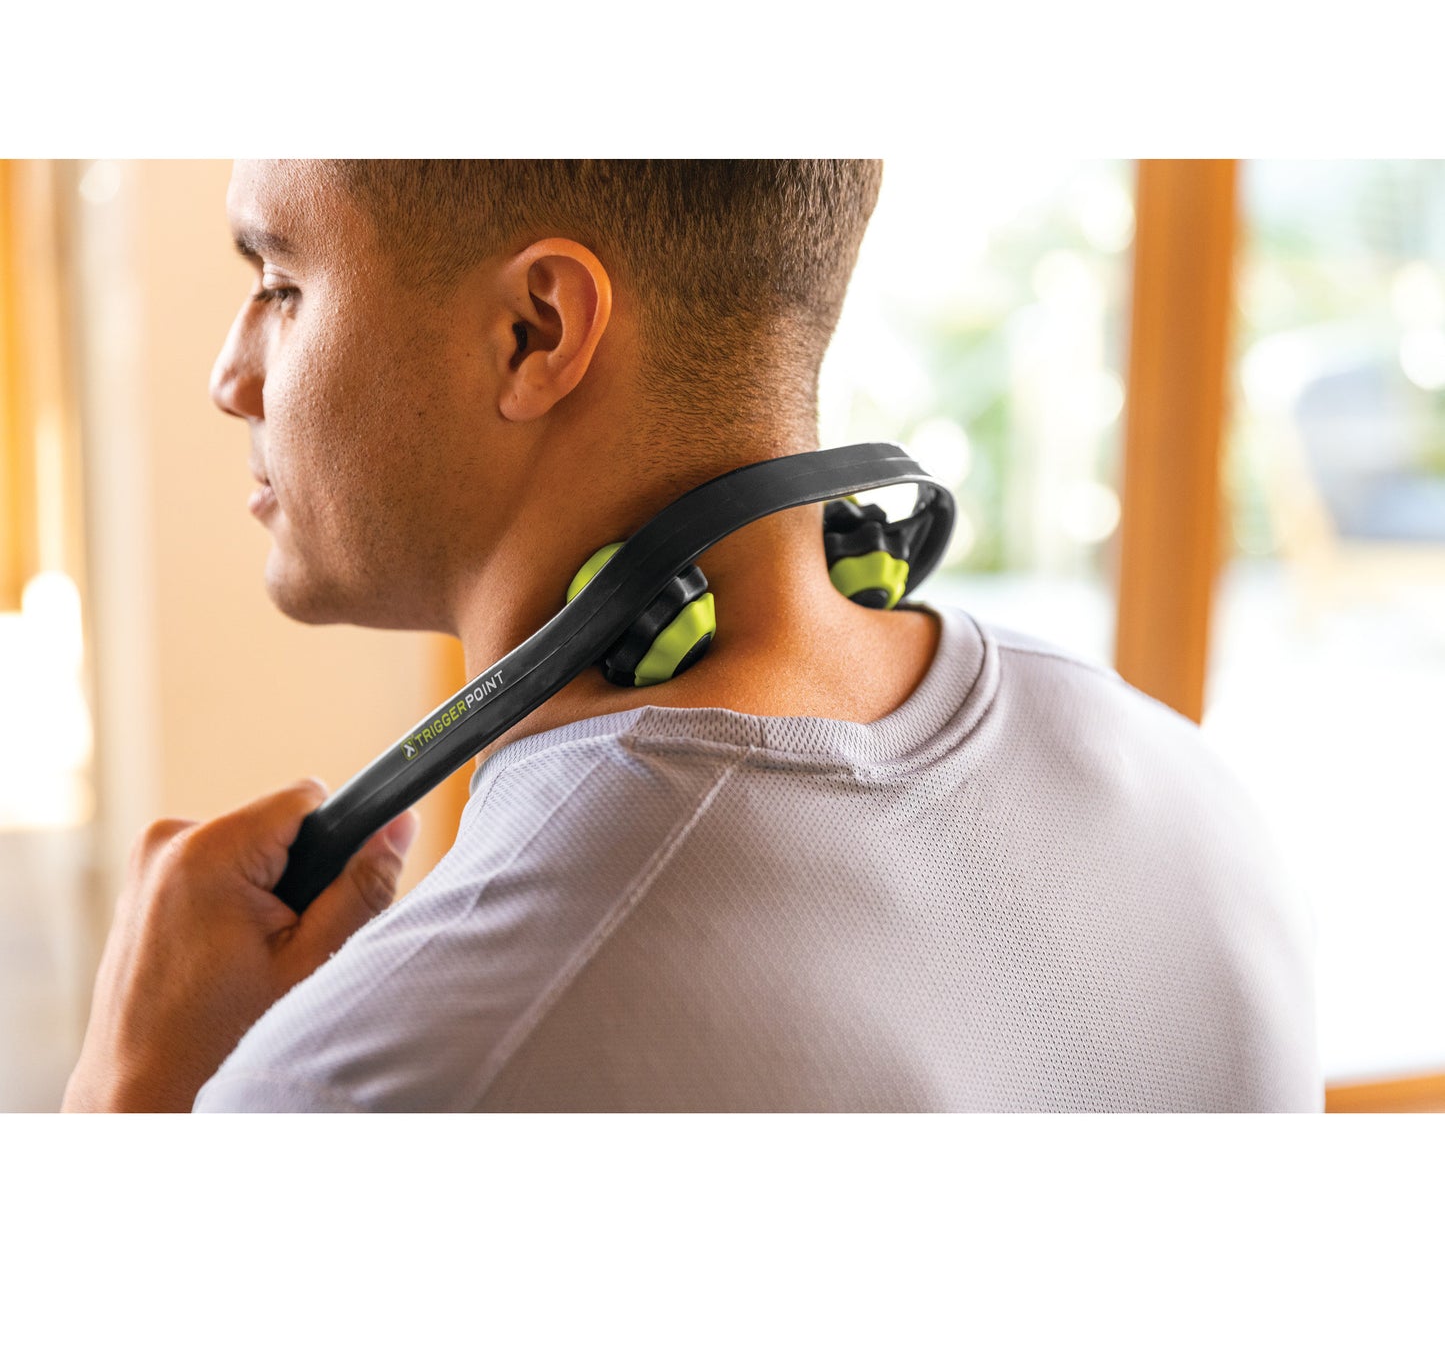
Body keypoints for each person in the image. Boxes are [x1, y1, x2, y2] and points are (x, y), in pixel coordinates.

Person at [61, 159, 1321, 1113]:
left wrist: (134, 1093)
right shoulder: (1190, 790)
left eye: (281, 283)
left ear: (536, 330)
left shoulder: (385, 1075)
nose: (231, 375)